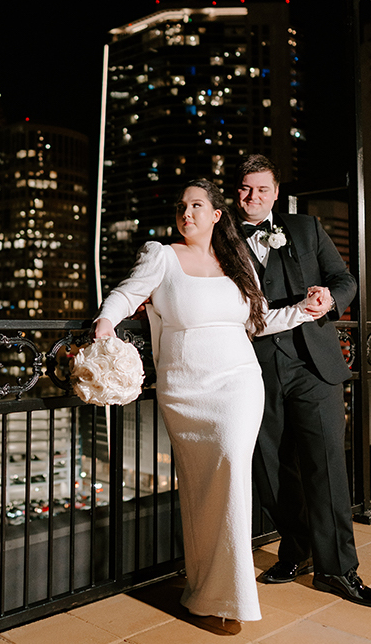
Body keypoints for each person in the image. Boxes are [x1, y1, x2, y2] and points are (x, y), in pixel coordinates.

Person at [93, 179, 320, 622]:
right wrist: (105, 321)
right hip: (186, 390)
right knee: (201, 489)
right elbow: (127, 293)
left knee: (234, 472)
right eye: (181, 206)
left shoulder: (239, 264)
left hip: (238, 383)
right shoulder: (162, 255)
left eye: (196, 205)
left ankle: (231, 598)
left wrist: (302, 311)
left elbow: (256, 321)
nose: (186, 213)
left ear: (217, 215)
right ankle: (203, 589)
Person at [235, 154, 371, 609]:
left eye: (262, 189)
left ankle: (338, 570)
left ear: (276, 192)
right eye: (246, 189)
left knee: (326, 468)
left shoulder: (305, 228)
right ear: (236, 190)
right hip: (253, 368)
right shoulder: (221, 239)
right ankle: (297, 547)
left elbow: (344, 278)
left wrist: (330, 298)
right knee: (270, 471)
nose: (253, 197)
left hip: (313, 365)